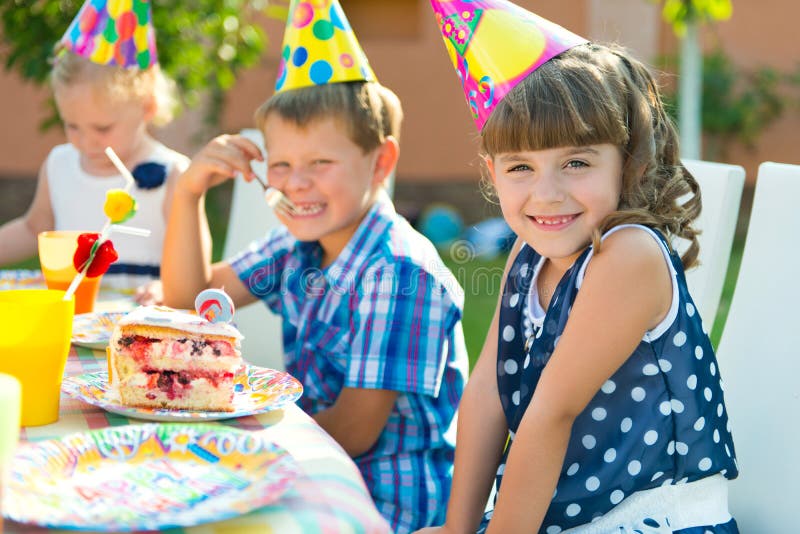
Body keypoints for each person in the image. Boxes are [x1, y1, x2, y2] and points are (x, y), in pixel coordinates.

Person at [416, 1, 739, 533]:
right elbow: (486, 393)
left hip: (649, 520)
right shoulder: (527, 256)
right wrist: (457, 528)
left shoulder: (628, 255)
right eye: (521, 167)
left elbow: (550, 415)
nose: (547, 194)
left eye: (577, 162)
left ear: (626, 159)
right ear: (492, 173)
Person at [161, 2, 468, 532]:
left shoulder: (399, 272)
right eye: (281, 164)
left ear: (381, 162)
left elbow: (354, 431)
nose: (296, 183)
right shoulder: (298, 245)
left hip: (383, 503)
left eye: (320, 163)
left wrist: (238, 445)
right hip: (311, 468)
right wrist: (188, 195)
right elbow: (191, 298)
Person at [0, 0, 188, 302]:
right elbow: (34, 228)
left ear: (147, 107)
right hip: (73, 326)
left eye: (102, 129)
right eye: (72, 126)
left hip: (141, 330)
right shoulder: (60, 164)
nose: (86, 143)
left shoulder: (175, 174)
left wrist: (169, 288)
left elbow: (192, 266)